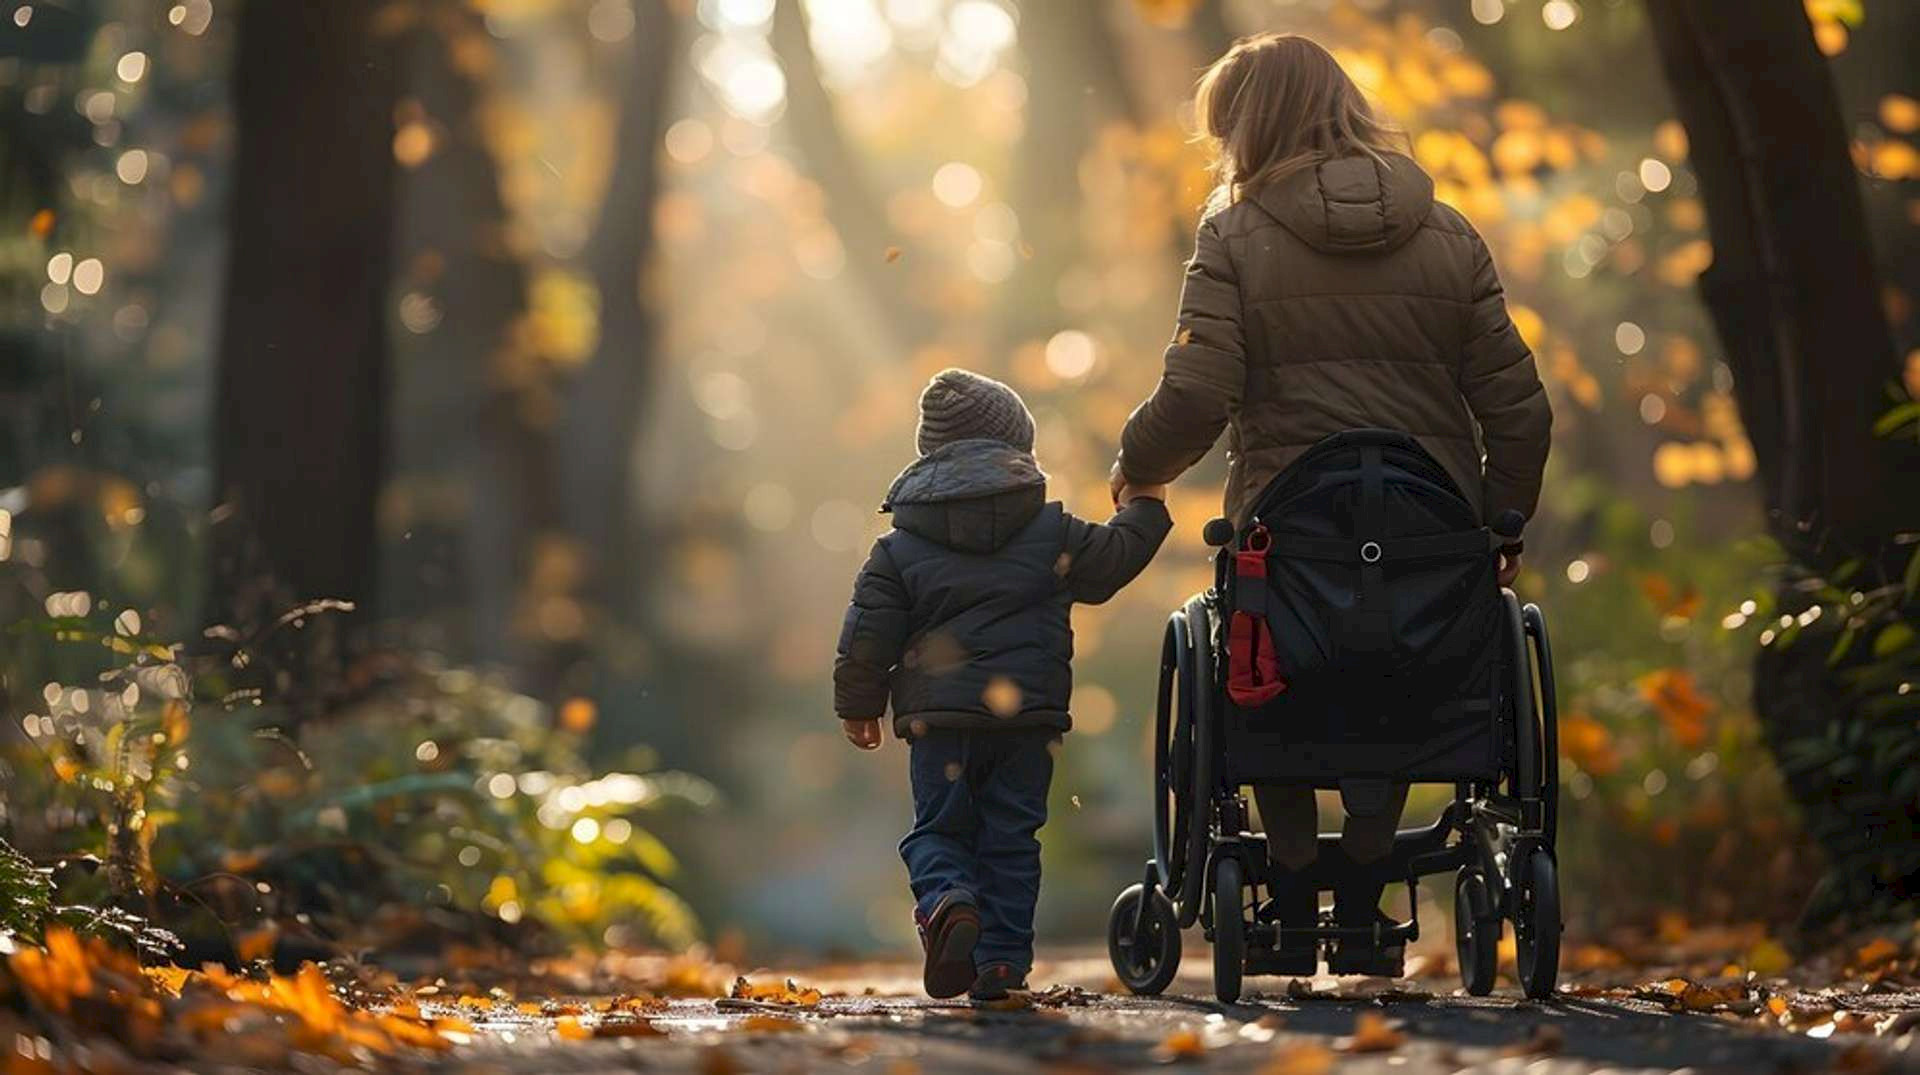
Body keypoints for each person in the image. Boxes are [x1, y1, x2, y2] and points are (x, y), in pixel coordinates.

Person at [1110, 33, 1552, 977]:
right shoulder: (1450, 233)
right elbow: (1518, 408)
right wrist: (1502, 523)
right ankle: (1365, 876)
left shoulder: (1233, 235)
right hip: (1432, 539)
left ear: (1244, 126)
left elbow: (1194, 393)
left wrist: (1136, 467)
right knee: (1397, 665)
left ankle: (1298, 870)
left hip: (1289, 536)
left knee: (1275, 664)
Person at [835, 368, 1172, 1002]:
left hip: (940, 723)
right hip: (1027, 719)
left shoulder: (898, 547)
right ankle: (1000, 967)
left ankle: (947, 901)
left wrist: (859, 707)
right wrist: (1145, 504)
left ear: (928, 454)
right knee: (1012, 839)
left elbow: (867, 633)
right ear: (1020, 449)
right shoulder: (1052, 532)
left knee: (939, 829)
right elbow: (1113, 563)